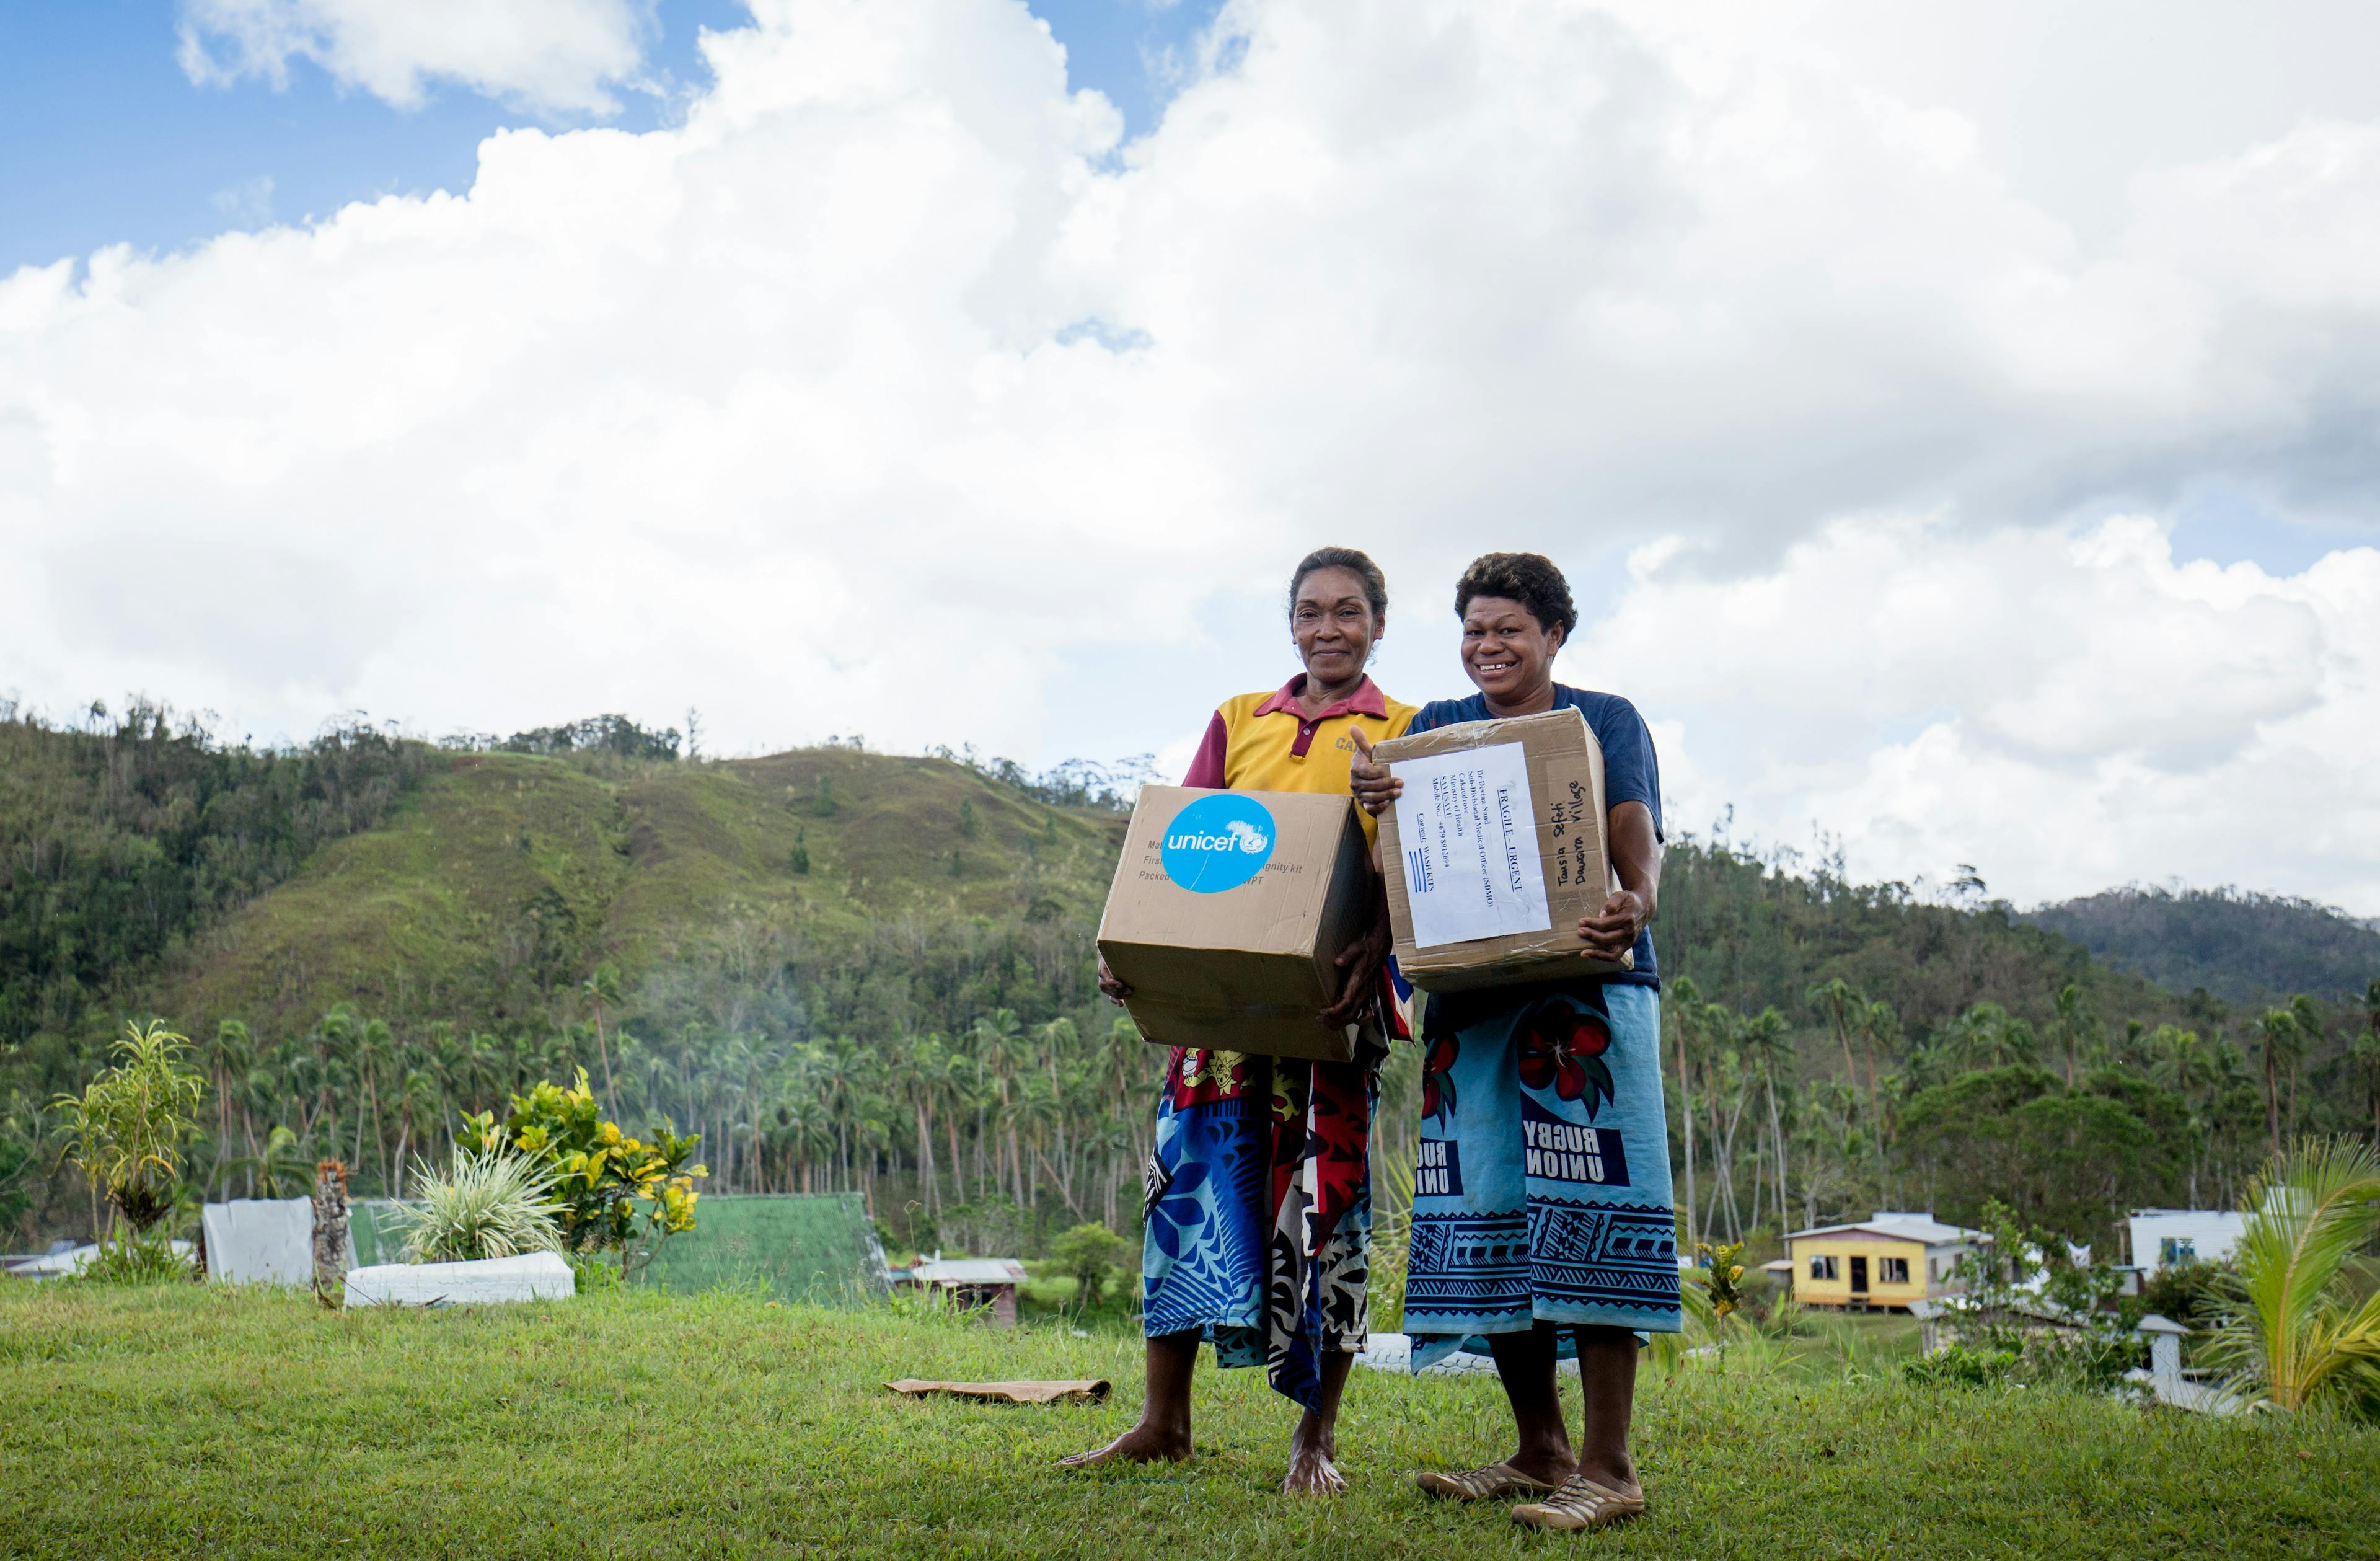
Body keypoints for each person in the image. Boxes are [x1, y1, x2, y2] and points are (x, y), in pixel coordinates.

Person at [1062, 546, 1417, 1495]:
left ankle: (1315, 1438)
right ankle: (1162, 1420)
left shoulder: (1407, 726)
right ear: (1290, 623)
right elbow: (1177, 848)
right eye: (1310, 611)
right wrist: (1126, 946)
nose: (1328, 627)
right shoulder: (1237, 719)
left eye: (1349, 611)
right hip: (1219, 1018)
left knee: (1326, 1210)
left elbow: (1419, 864)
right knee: (1182, 1197)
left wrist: (1376, 940)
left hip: (1332, 1006)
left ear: (1379, 623)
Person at [1349, 551, 1679, 1532]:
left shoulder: (1603, 718)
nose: (1488, 646)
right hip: (1470, 1003)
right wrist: (1375, 810)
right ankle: (1540, 1446)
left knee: (1595, 1207)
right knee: (1488, 1211)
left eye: (1510, 630)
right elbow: (1395, 868)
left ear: (1554, 638)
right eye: (1475, 630)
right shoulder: (1430, 732)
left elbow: (1632, 829)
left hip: (1582, 993)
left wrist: (1639, 898)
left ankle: (1610, 1465)